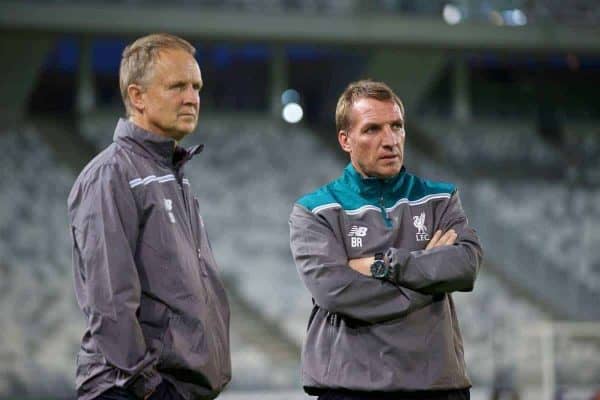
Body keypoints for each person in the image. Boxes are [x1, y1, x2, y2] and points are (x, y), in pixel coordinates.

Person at [289, 80, 483, 400]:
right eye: (372, 129)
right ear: (345, 140)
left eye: (396, 126)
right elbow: (335, 292)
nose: (390, 140)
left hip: (436, 387)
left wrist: (385, 265)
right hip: (351, 388)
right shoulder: (314, 211)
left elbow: (465, 266)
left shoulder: (440, 197)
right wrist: (428, 281)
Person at [68, 33, 231, 400]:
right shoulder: (111, 175)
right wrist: (148, 388)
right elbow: (110, 301)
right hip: (130, 390)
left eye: (196, 86)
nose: (192, 98)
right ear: (137, 96)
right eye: (177, 86)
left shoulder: (172, 174)